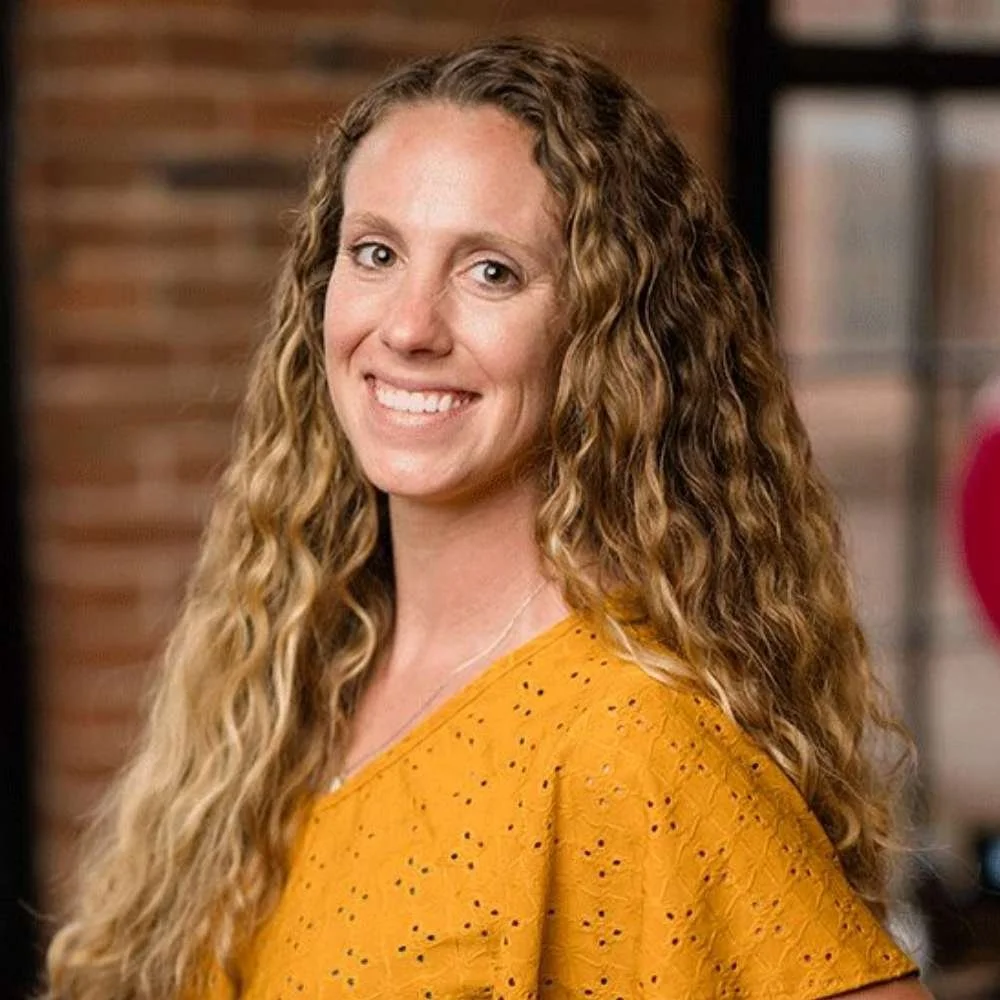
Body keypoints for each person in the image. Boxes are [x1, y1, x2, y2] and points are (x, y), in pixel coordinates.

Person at [43, 37, 930, 999]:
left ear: (604, 333)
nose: (411, 326)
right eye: (376, 253)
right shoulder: (292, 666)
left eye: (491, 272)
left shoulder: (633, 746)